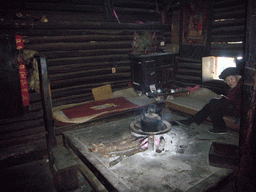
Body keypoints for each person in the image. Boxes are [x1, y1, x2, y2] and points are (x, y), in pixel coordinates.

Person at [178, 67, 243, 134]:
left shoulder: (240, 87)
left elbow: (236, 104)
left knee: (214, 102)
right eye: (227, 80)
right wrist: (223, 98)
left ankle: (220, 128)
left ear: (238, 77)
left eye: (231, 79)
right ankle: (190, 121)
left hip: (237, 111)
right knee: (212, 104)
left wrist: (222, 99)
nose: (230, 82)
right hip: (233, 108)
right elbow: (231, 100)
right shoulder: (235, 86)